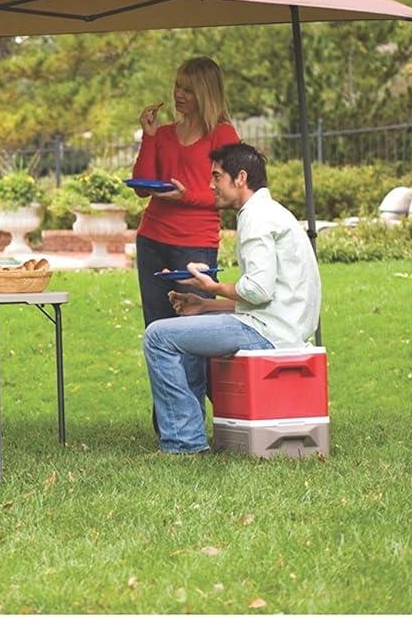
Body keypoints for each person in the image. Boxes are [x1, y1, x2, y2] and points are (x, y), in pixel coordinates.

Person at [142, 143, 323, 455]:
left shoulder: (255, 218)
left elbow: (257, 290)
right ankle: (187, 435)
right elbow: (269, 297)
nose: (210, 184)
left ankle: (184, 443)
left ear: (240, 178)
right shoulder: (273, 212)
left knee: (158, 336)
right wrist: (204, 305)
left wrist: (211, 286)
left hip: (268, 335)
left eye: (216, 176)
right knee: (178, 331)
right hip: (282, 327)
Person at [131, 56, 241, 327]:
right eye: (178, 87)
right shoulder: (165, 133)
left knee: (195, 327)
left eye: (188, 90)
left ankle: (195, 373)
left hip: (194, 244)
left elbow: (233, 194)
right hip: (152, 239)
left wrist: (186, 196)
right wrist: (149, 136)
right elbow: (143, 188)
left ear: (205, 94)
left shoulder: (222, 134)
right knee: (157, 327)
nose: (178, 94)